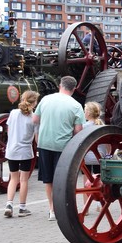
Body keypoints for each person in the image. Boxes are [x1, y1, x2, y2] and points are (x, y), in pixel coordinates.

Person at [33, 75, 85, 221]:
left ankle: (52, 209)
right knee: (62, 179)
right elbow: (78, 131)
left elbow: (35, 120)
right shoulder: (75, 105)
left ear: (59, 86)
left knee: (48, 179)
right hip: (63, 146)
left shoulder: (45, 99)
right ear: (74, 89)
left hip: (44, 143)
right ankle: (63, 207)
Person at [4, 90, 40, 218]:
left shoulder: (13, 113)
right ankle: (22, 207)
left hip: (11, 150)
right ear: (34, 103)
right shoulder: (34, 118)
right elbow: (37, 139)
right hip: (25, 152)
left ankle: (9, 204)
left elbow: (8, 130)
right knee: (23, 180)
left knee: (13, 179)